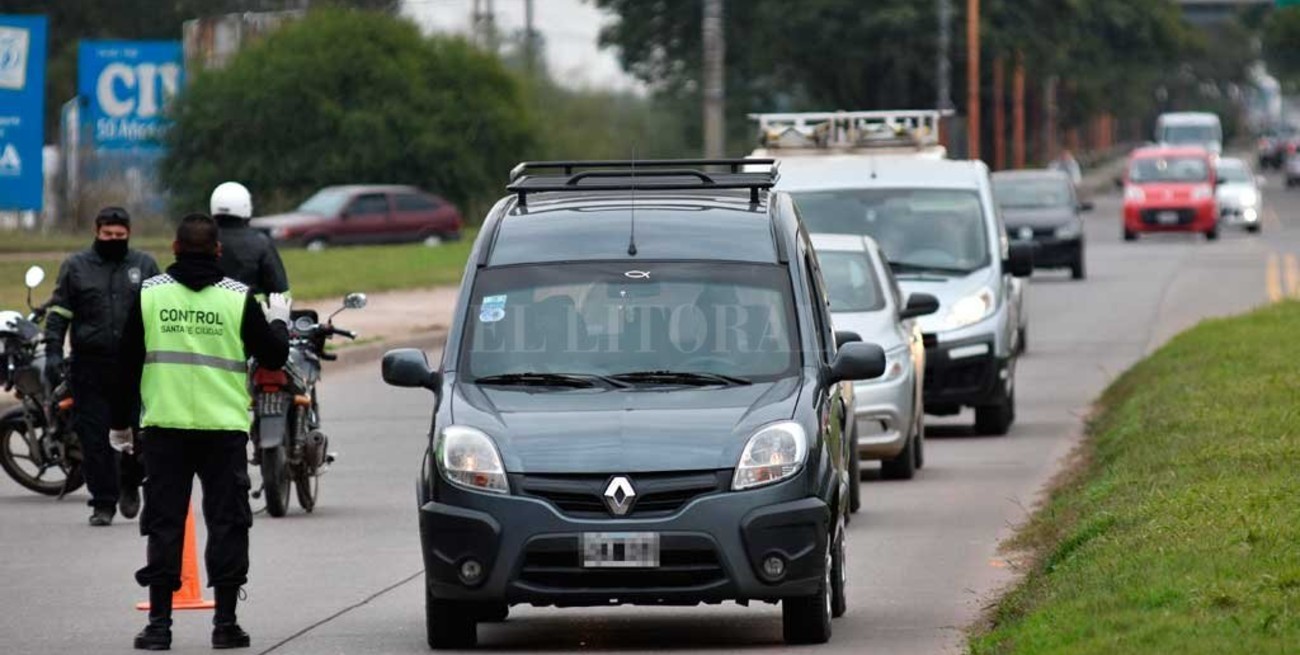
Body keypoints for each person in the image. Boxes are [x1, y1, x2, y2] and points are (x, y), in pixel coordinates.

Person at [111, 213, 291, 651]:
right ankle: (225, 623)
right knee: (227, 523)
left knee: (164, 523)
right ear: (218, 251)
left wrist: (121, 427)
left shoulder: (148, 295)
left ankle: (159, 626)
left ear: (174, 248)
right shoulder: (237, 298)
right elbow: (273, 357)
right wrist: (280, 320)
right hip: (222, 430)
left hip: (164, 429)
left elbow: (125, 365)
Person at [44, 207, 161, 526]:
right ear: (96, 232)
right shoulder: (76, 267)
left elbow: (162, 312)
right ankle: (103, 503)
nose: (113, 240)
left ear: (129, 234)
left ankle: (131, 480)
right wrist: (53, 349)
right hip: (89, 365)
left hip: (136, 365)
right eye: (108, 235)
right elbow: (59, 313)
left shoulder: (144, 265)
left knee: (141, 433)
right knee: (94, 437)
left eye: (120, 236)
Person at [209, 181, 290, 297]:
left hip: (209, 312)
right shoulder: (260, 242)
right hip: (249, 313)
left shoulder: (201, 240)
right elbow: (280, 292)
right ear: (246, 206)